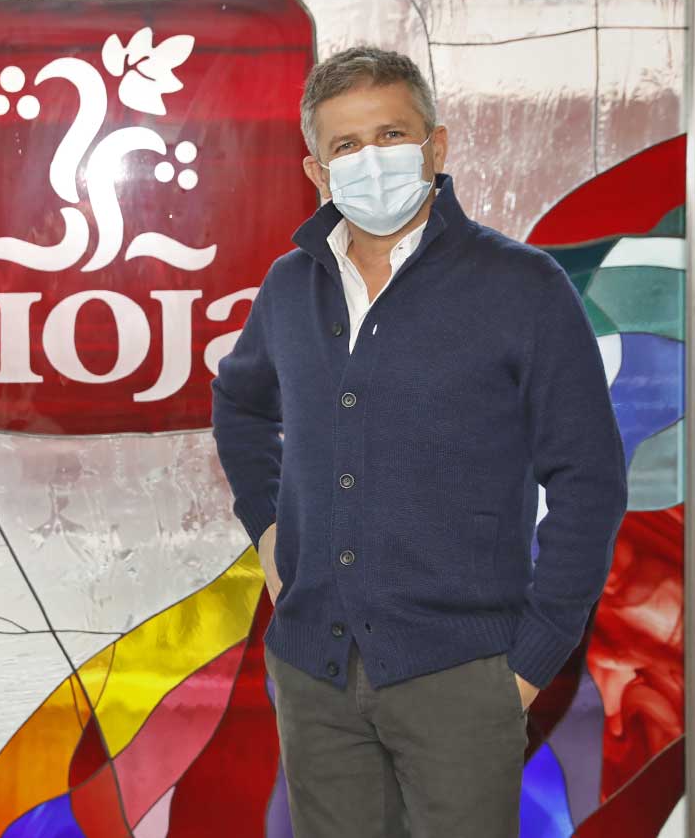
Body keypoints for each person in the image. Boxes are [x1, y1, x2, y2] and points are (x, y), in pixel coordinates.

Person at [211, 46, 627, 836]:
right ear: (317, 172)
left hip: (463, 679)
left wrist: (531, 660)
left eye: (392, 134)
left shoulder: (522, 287)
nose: (372, 160)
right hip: (314, 676)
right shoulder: (290, 287)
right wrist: (266, 526)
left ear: (436, 146)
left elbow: (590, 478)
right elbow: (240, 403)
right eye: (346, 144)